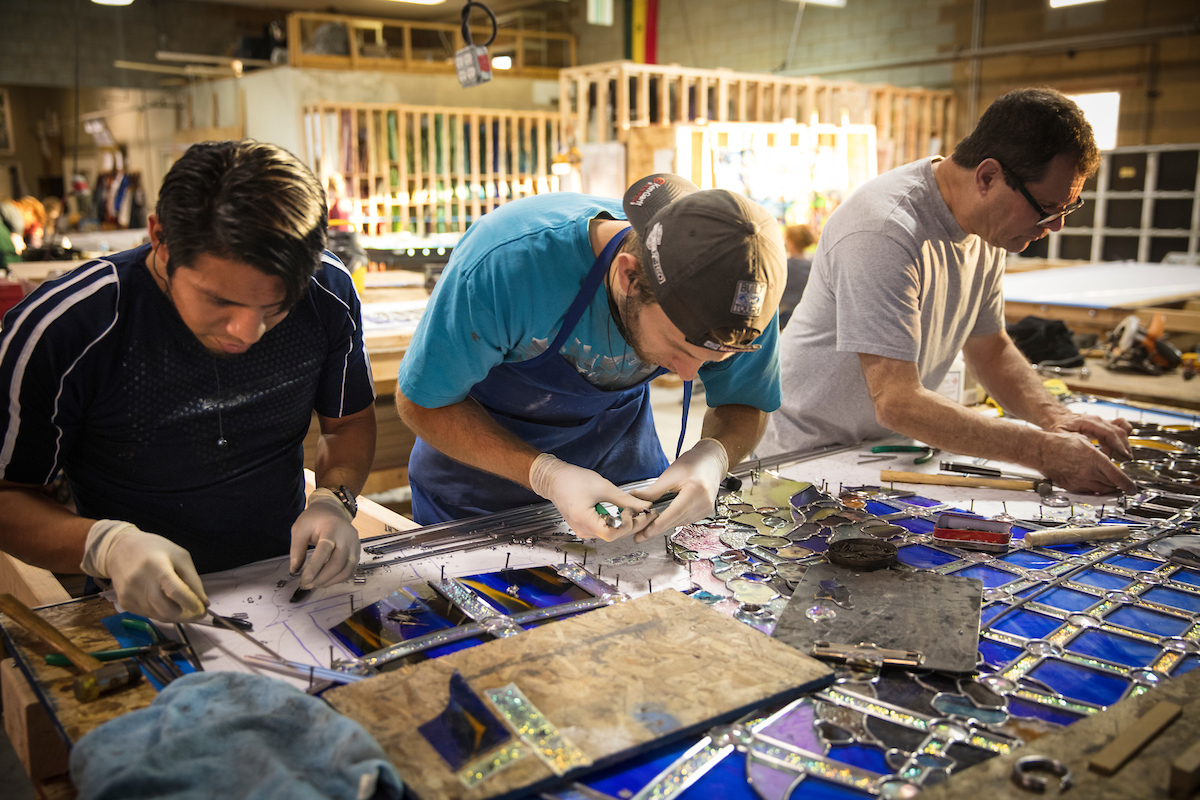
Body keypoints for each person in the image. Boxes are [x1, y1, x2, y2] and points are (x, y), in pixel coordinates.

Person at [0, 140, 377, 622]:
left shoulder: (327, 291)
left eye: (276, 306)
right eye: (218, 301)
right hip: (141, 600)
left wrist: (334, 498)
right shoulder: (67, 327)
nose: (248, 332)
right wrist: (106, 546)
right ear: (161, 239)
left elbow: (345, 425)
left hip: (285, 581)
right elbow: (8, 494)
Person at [759, 88, 1135, 495]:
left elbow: (990, 348)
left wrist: (1054, 417)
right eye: (1047, 207)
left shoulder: (988, 230)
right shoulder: (884, 228)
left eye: (1066, 209)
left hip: (883, 450)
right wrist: (1043, 451)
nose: (1056, 225)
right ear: (988, 177)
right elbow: (897, 400)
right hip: (801, 459)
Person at [396, 173, 785, 543]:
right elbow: (422, 403)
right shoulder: (507, 267)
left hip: (624, 490)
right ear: (628, 278)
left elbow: (745, 401)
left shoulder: (743, 289)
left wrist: (715, 455)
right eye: (677, 349)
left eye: (709, 359)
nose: (687, 372)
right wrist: (546, 474)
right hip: (476, 499)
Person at [779, 223, 816, 328]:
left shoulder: (784, 265)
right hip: (806, 316)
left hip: (785, 316)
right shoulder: (813, 265)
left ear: (791, 243)